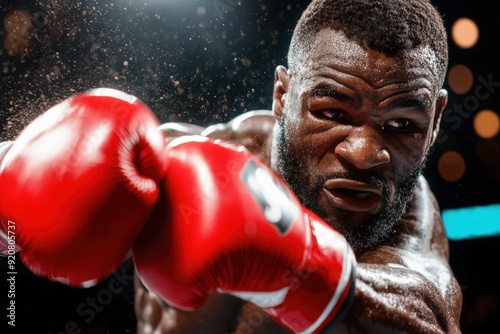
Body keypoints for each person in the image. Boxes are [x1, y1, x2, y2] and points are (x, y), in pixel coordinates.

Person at [0, 0, 462, 333]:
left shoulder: (408, 220)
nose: (364, 154)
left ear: (436, 120)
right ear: (283, 96)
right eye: (333, 113)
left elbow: (427, 310)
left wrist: (299, 266)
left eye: (402, 124)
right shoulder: (183, 158)